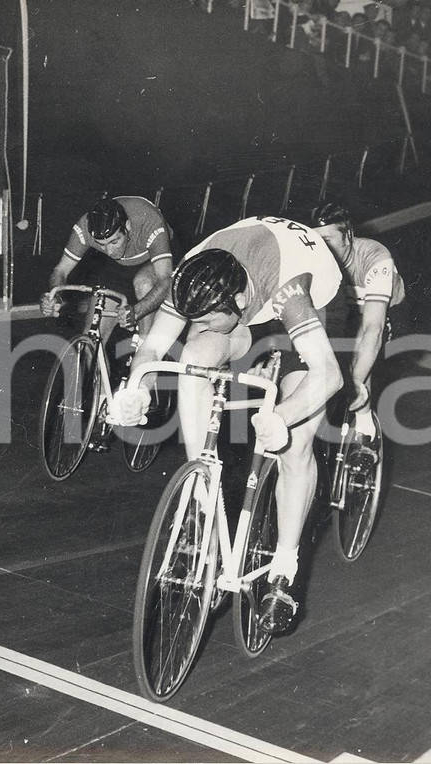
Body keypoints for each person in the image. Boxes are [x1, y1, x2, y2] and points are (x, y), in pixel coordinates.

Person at [116, 216, 343, 634]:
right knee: (192, 359)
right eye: (192, 317)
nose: (195, 326)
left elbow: (329, 375)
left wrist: (282, 416)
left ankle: (284, 569)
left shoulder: (289, 292)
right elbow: (153, 347)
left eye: (203, 319)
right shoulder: (193, 275)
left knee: (294, 444)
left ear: (238, 300)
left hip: (305, 294)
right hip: (243, 299)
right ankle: (201, 489)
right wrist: (136, 391)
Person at [309, 202, 405, 412]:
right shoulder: (313, 257)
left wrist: (353, 386)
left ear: (349, 236)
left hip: (387, 313)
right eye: (315, 242)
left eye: (327, 241)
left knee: (359, 348)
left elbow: (374, 328)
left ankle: (364, 426)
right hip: (349, 311)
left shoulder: (375, 256)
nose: (321, 249)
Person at [39, 196, 175, 335]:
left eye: (114, 242)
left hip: (154, 257)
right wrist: (55, 296)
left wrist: (136, 311)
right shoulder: (83, 228)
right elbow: (61, 270)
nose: (109, 251)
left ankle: (145, 346)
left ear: (127, 227)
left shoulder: (149, 221)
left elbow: (165, 279)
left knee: (143, 284)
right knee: (92, 335)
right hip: (118, 266)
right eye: (101, 245)